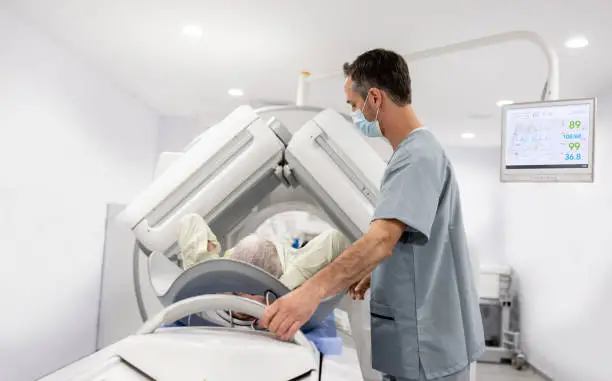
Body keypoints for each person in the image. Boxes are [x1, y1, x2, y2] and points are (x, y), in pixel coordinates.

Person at [259, 49, 485, 381]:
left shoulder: (418, 155)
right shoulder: (411, 154)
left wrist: (309, 294)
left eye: (353, 105)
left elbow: (381, 239)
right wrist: (374, 270)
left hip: (428, 347)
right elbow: (406, 241)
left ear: (375, 98)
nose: (354, 114)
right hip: (419, 340)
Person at [177, 213, 351, 290]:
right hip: (239, 257)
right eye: (237, 292)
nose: (243, 302)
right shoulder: (214, 280)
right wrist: (204, 262)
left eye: (251, 293)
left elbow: (335, 238)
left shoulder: (292, 274)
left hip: (284, 258)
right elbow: (190, 220)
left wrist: (286, 285)